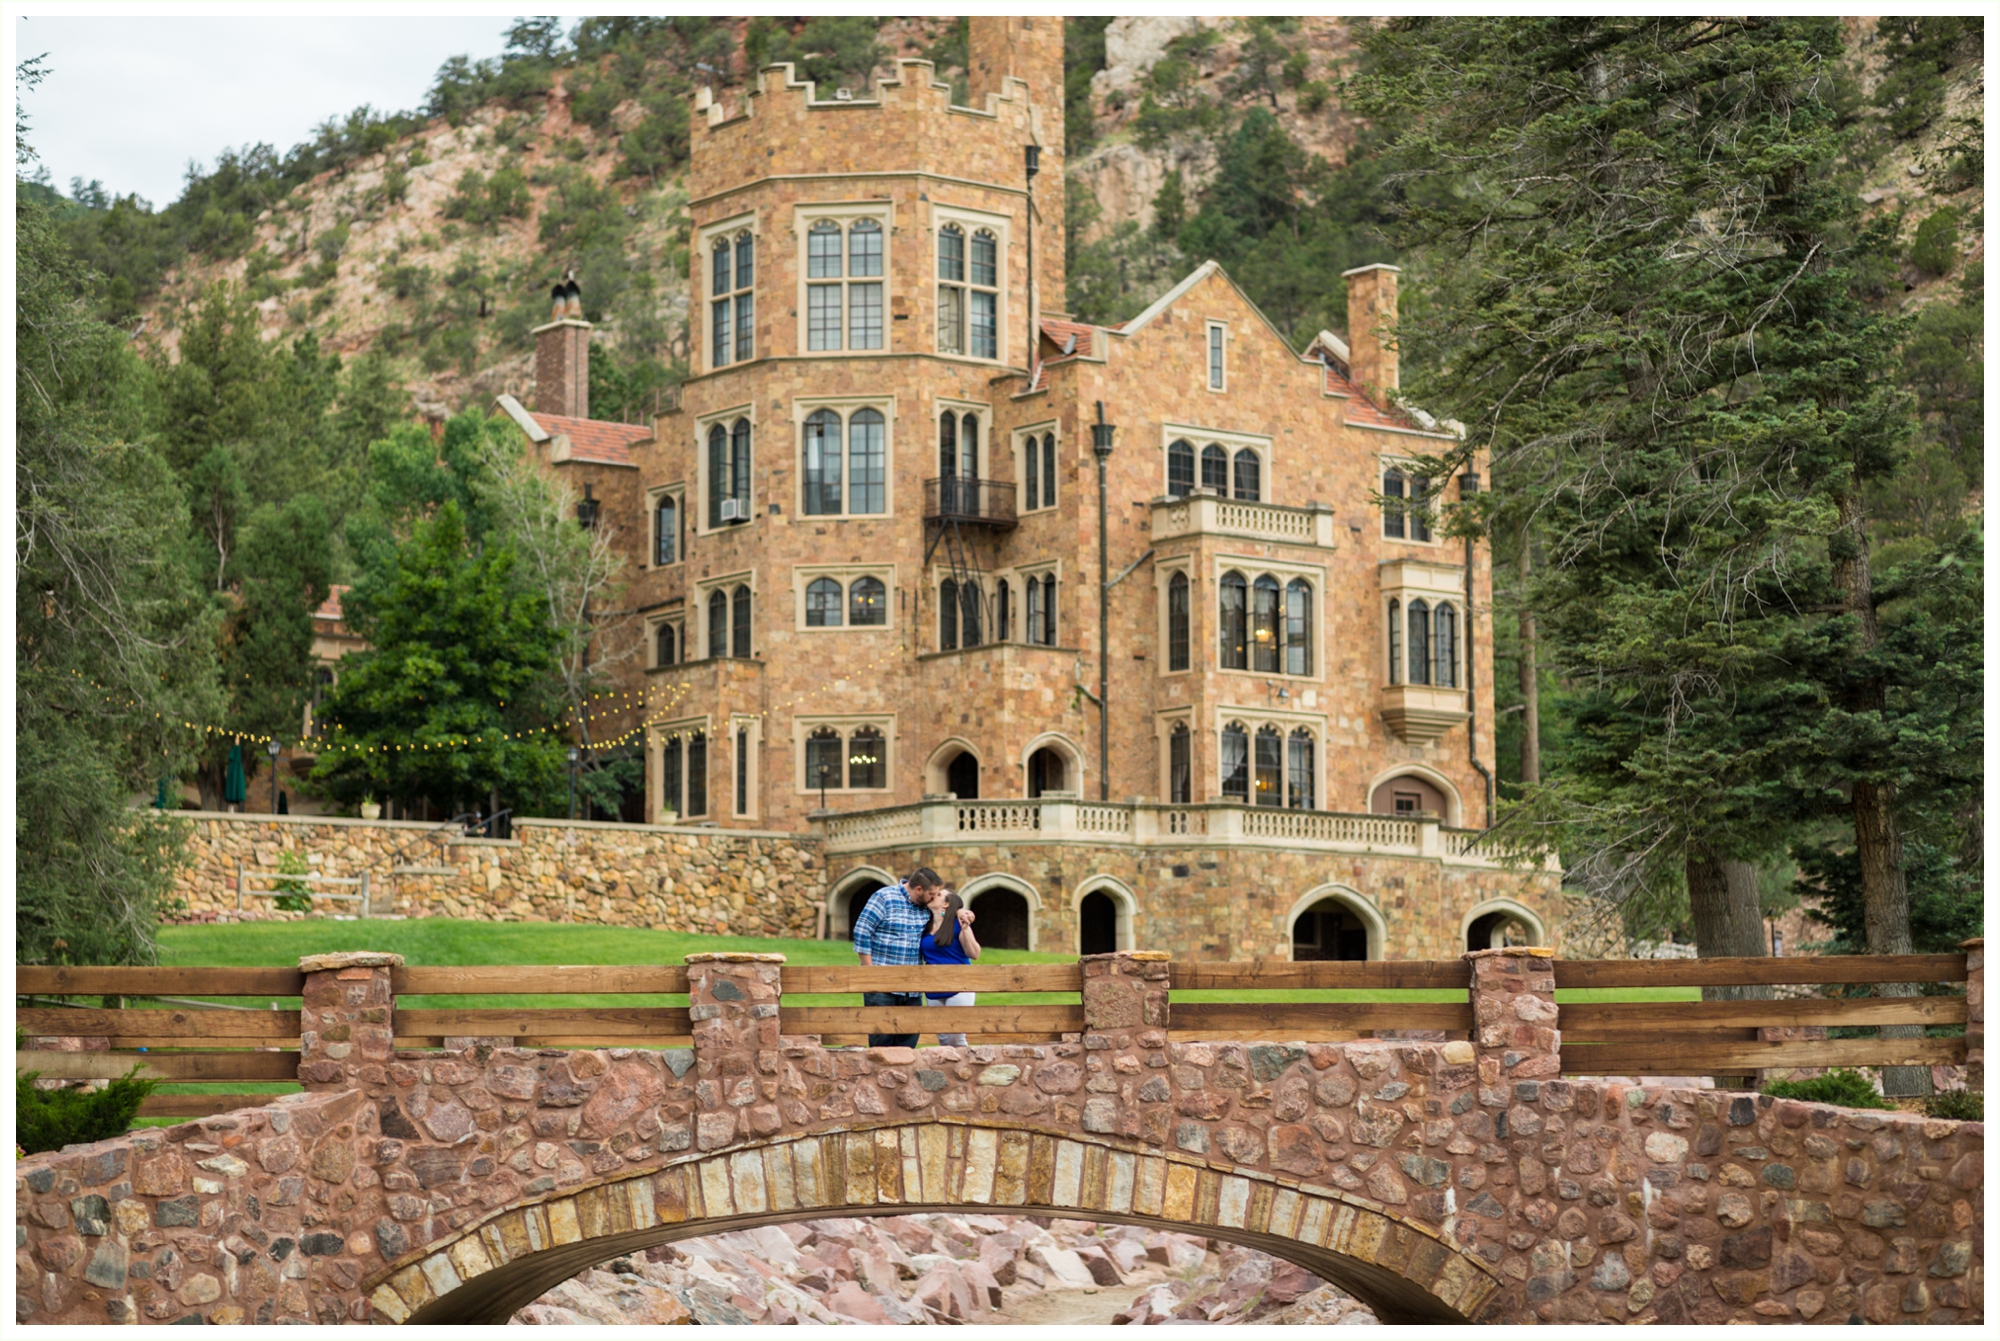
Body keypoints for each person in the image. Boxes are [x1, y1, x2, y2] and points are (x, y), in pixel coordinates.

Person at [851, 867, 944, 1048]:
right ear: (919, 890)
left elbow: (946, 906)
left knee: (908, 1045)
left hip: (913, 989)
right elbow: (862, 931)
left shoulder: (926, 906)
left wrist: (959, 912)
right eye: (932, 894)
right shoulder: (884, 897)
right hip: (882, 987)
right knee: (881, 1044)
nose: (935, 897)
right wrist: (869, 972)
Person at [920, 890, 980, 1047]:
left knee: (956, 1036)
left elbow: (974, 953)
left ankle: (964, 1070)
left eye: (939, 895)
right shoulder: (924, 925)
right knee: (943, 1039)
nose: (934, 894)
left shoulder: (958, 923)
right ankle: (948, 1071)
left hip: (959, 985)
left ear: (946, 904)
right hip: (933, 988)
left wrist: (966, 928)